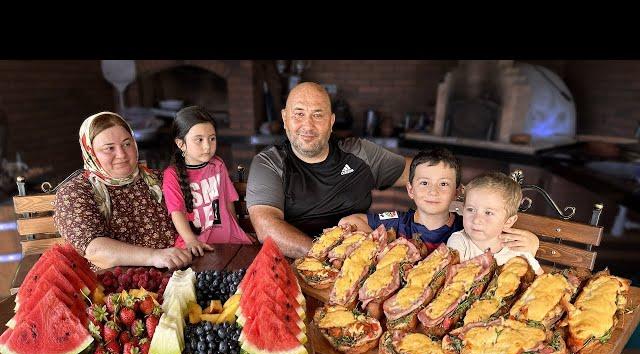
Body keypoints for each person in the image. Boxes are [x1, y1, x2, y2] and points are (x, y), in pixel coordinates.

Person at [245, 82, 411, 258]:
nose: (307, 125)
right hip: (295, 264)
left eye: (317, 115)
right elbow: (267, 227)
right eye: (299, 114)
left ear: (331, 122)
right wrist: (328, 256)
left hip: (359, 261)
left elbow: (417, 172)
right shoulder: (270, 163)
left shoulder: (360, 153)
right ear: (285, 119)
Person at [54, 111, 192, 270]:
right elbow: (94, 249)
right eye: (109, 148)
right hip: (116, 287)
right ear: (90, 152)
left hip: (177, 276)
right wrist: (155, 256)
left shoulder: (161, 180)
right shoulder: (75, 192)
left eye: (127, 144)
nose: (121, 155)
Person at [339, 148, 540, 256]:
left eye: (443, 184)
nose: (433, 191)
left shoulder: (469, 227)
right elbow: (349, 221)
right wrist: (384, 247)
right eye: (424, 183)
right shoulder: (398, 223)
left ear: (457, 192)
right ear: (410, 189)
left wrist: (533, 244)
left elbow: (499, 240)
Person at [162, 106, 252, 256]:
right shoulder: (172, 175)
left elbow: (228, 202)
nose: (207, 146)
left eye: (212, 138)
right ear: (180, 144)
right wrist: (191, 240)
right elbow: (176, 212)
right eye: (199, 140)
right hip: (196, 244)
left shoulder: (218, 165)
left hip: (226, 238)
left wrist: (237, 231)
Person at [447, 171, 543, 274]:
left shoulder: (517, 249)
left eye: (488, 213)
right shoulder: (459, 241)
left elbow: (542, 281)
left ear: (508, 221)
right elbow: (453, 279)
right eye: (471, 210)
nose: (476, 219)